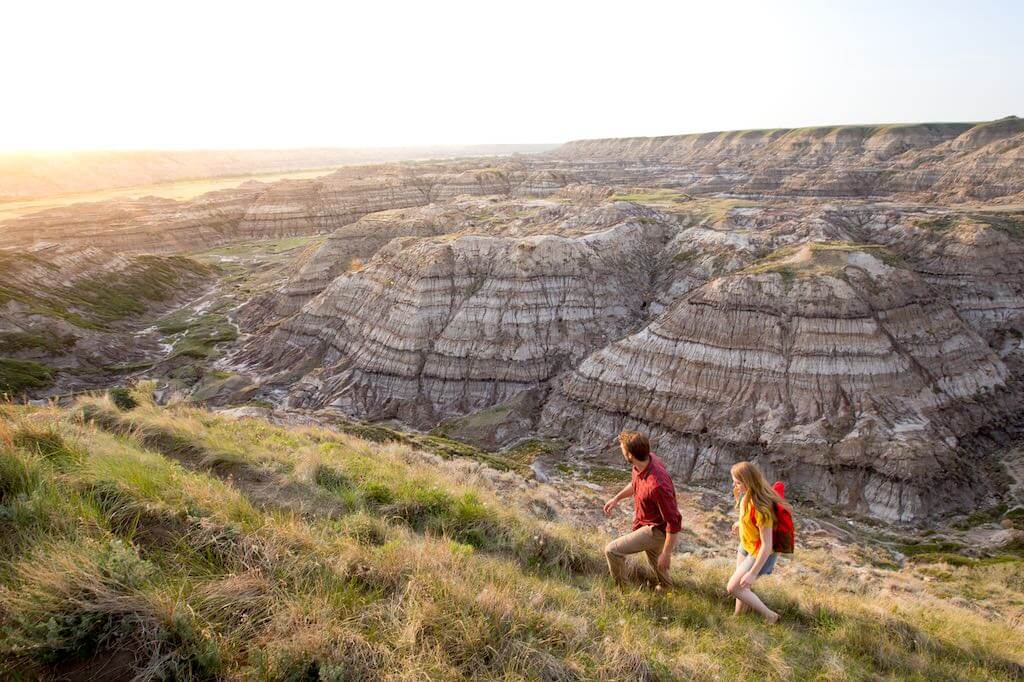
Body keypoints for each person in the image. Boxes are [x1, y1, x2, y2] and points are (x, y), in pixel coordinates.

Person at [602, 431, 682, 588]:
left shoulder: (657, 485)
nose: (621, 451)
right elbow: (636, 483)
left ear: (630, 455)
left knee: (612, 551)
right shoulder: (645, 461)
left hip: (655, 530)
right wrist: (617, 498)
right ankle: (668, 592)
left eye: (622, 449)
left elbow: (674, 521)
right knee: (658, 566)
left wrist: (667, 553)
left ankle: (623, 594)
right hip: (648, 523)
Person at [726, 461, 784, 624]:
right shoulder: (748, 494)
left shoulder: (761, 507)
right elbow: (748, 516)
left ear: (748, 481)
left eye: (737, 482)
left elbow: (767, 545)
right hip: (746, 545)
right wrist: (741, 524)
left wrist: (752, 574)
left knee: (734, 587)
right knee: (741, 586)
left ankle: (770, 616)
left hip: (760, 552)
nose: (734, 485)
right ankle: (738, 619)